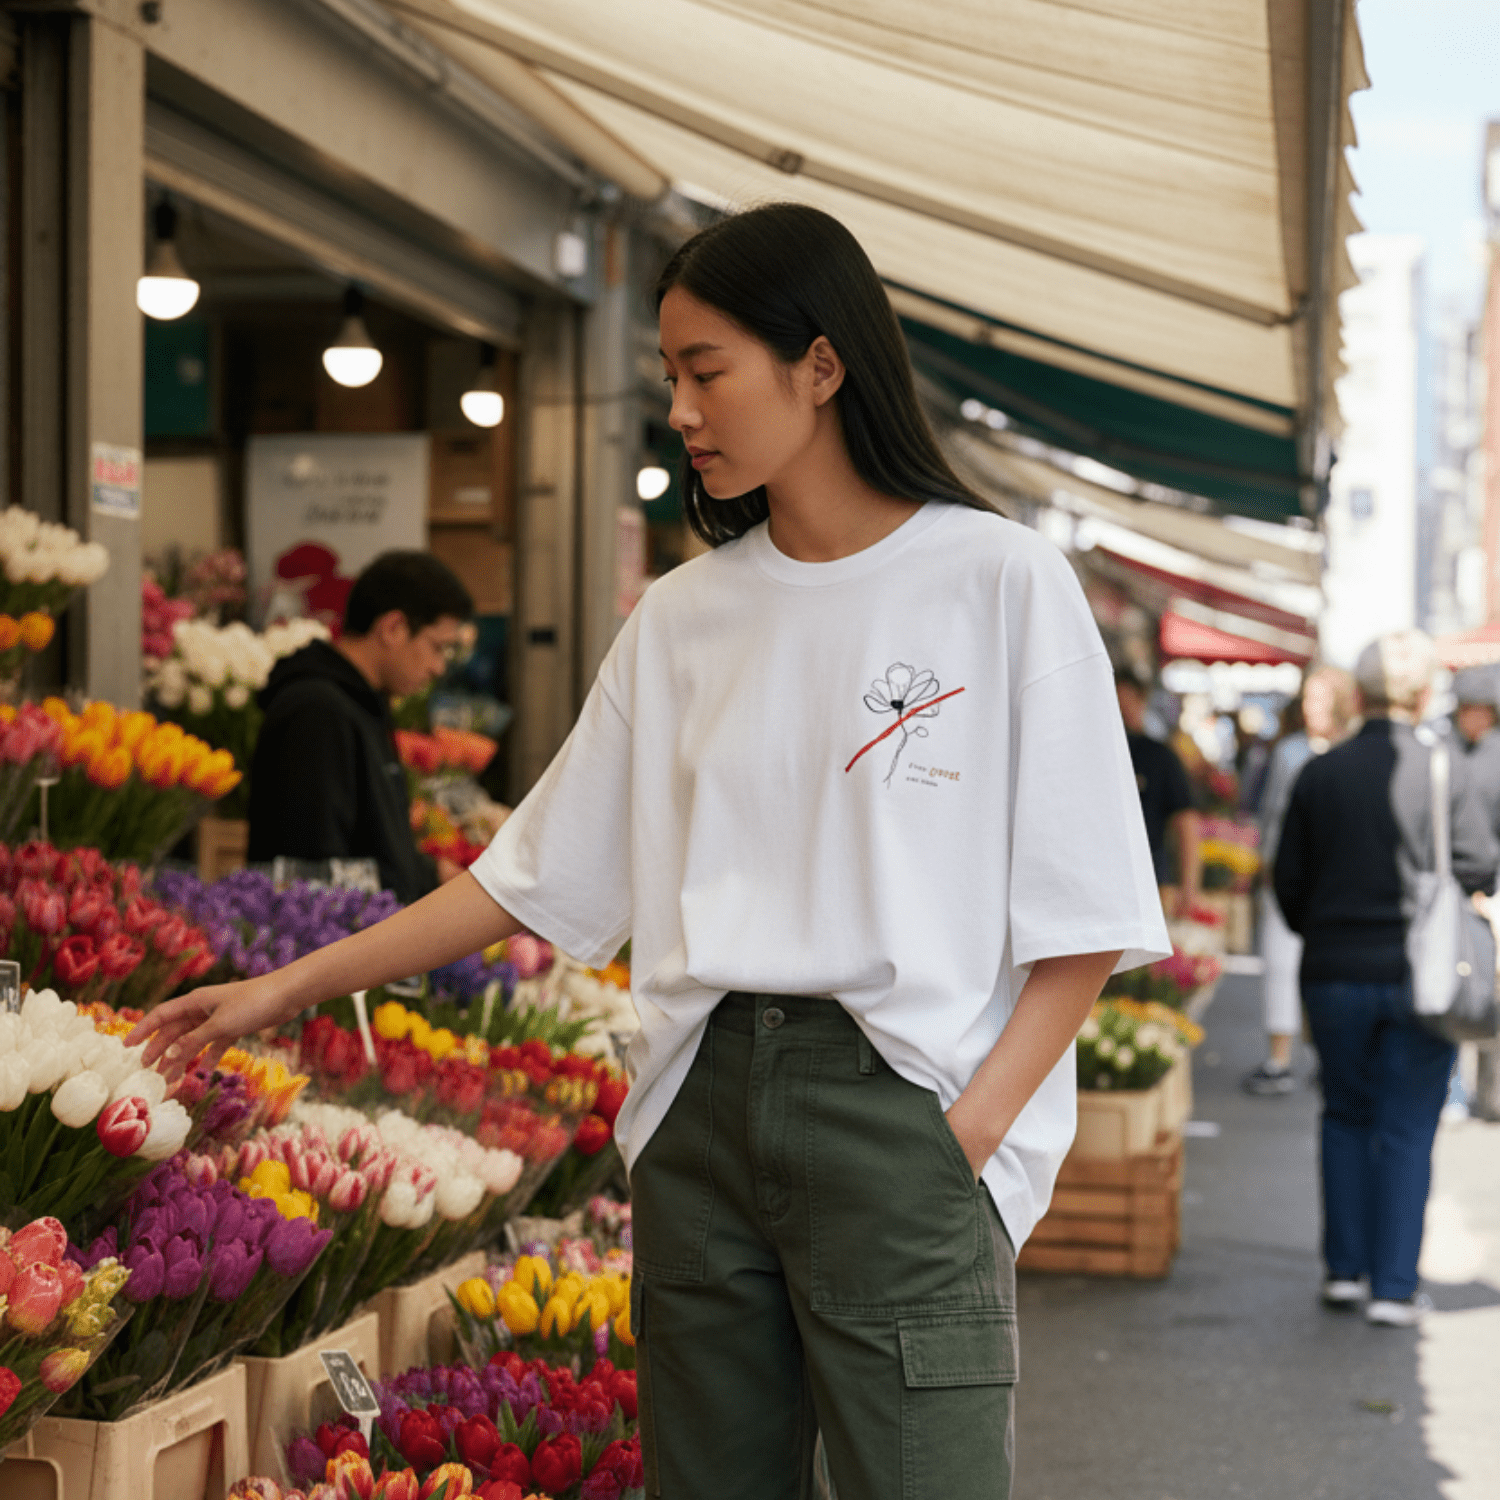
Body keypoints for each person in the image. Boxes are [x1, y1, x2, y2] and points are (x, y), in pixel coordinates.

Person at [133, 203, 1169, 1500]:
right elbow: (527, 875)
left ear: (821, 365)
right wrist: (283, 989)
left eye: (704, 370)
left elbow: (1084, 911)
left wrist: (967, 1130)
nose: (679, 409)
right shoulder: (681, 619)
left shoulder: (1003, 583)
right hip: (701, 1110)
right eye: (668, 375)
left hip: (899, 1104)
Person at [1274, 630, 1497, 1326]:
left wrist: (1327, 926)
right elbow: (1479, 866)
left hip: (1333, 969)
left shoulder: (1321, 771)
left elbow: (1288, 883)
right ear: (1425, 692)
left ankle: (1344, 1271)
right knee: (1406, 1127)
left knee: (1343, 1116)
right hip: (1420, 975)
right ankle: (1394, 1288)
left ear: (1358, 693)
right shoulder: (1445, 769)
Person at [247, 550, 473, 904]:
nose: (438, 667)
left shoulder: (362, 703)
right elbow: (316, 873)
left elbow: (372, 844)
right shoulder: (317, 712)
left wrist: (431, 873)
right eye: (437, 647)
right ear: (393, 628)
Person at [1242, 666, 1357, 1096]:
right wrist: (1265, 865)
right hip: (1290, 875)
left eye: (1318, 700)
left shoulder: (1350, 752)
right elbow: (1271, 814)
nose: (1309, 709)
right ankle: (1279, 1058)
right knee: (1280, 965)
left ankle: (1328, 1056)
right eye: (1307, 700)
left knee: (1330, 970)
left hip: (1337, 883)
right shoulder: (1289, 752)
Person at [1448, 664, 1500, 1122]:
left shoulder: (1496, 755)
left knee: (1489, 991)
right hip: (1447, 889)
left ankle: (1491, 1093)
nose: (1479, 720)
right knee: (1447, 985)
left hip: (1491, 889)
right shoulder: (1440, 750)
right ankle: (1452, 1090)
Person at [1116, 670, 1201, 917]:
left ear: (1141, 700)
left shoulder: (1159, 757)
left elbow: (1186, 823)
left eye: (1125, 701)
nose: (1121, 710)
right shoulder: (1095, 754)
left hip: (1149, 880)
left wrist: (1188, 889)